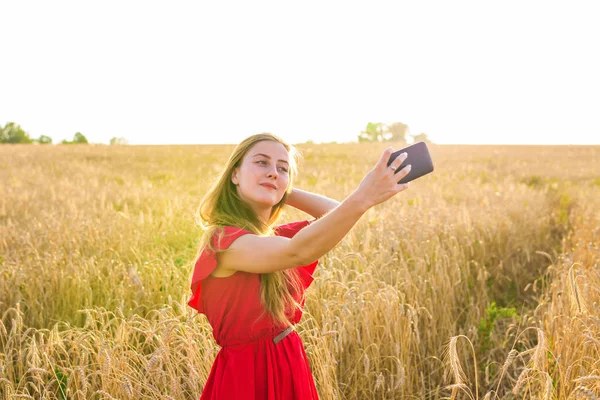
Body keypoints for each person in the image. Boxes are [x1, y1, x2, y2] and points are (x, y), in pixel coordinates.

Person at [188, 133, 411, 399]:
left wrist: (281, 189)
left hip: (288, 362)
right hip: (248, 376)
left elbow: (336, 213)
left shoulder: (272, 237)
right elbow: (298, 252)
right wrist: (362, 196)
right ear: (234, 175)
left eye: (282, 168)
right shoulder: (224, 241)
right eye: (261, 163)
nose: (273, 172)